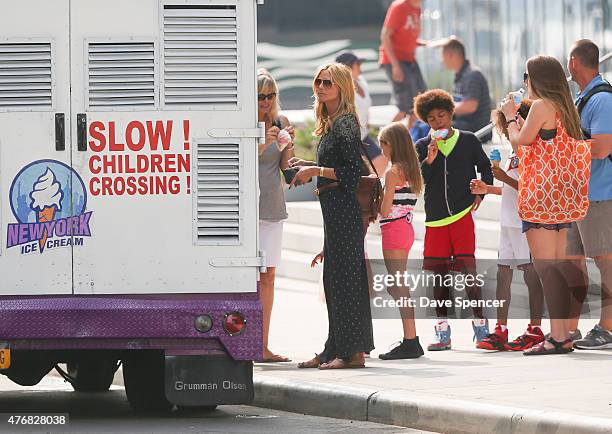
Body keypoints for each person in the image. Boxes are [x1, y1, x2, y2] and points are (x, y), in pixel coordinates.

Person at [500, 55, 588, 355]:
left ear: (536, 78)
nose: (524, 83)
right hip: (564, 197)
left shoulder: (540, 105)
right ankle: (562, 333)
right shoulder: (566, 106)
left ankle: (558, 336)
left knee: (545, 267)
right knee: (557, 266)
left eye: (526, 77)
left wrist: (510, 116)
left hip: (540, 196)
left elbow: (519, 142)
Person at [290, 63, 375, 369]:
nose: (321, 87)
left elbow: (351, 174)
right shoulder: (331, 122)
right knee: (334, 282)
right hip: (334, 213)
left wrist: (315, 170)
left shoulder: (346, 123)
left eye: (328, 82)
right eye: (318, 82)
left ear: (341, 87)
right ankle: (334, 349)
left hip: (344, 212)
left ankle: (351, 353)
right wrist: (308, 162)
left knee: (345, 283)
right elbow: (337, 165)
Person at [413, 89, 494, 351]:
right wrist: (430, 159)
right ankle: (442, 331)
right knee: (439, 277)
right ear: (426, 122)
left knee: (469, 272)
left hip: (461, 215)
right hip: (435, 220)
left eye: (442, 115)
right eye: (432, 119)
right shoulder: (422, 146)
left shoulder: (469, 140)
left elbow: (485, 167)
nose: (438, 122)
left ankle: (482, 329)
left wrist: (482, 190)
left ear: (450, 114)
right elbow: (419, 180)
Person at [470, 101, 546, 351]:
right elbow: (510, 188)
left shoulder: (534, 148)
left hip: (525, 222)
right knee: (503, 274)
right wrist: (488, 188)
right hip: (508, 221)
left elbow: (533, 187)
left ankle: (535, 329)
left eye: (516, 120)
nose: (511, 126)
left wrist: (503, 180)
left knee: (531, 275)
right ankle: (500, 329)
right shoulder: (514, 152)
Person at [565, 39, 612, 350]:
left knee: (607, 262)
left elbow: (603, 147)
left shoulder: (602, 99)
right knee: (571, 261)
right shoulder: (584, 97)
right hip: (581, 196)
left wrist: (564, 147)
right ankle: (569, 329)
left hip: (600, 194)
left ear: (573, 63)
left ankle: (607, 329)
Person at [377, 122, 424, 360]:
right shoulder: (411, 170)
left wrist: (376, 197)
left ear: (390, 145)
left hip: (393, 229)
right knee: (396, 284)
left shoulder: (392, 172)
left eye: (382, 144)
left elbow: (385, 210)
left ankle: (411, 339)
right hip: (405, 228)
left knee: (399, 285)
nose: (381, 150)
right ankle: (410, 338)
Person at [256, 69, 295, 363]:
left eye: (271, 95)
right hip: (245, 209)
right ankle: (248, 341)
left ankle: (263, 345)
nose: (267, 101)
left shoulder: (280, 122)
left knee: (268, 276)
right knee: (247, 278)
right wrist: (264, 142)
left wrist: (287, 144)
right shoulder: (240, 122)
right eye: (261, 96)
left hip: (271, 205)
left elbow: (286, 167)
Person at [336, 51, 389, 176]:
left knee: (382, 160)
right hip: (349, 138)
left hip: (363, 135)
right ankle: (361, 189)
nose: (360, 66)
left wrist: (367, 122)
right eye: (357, 64)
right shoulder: (340, 89)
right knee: (358, 169)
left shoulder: (361, 81)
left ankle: (367, 189)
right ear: (347, 67)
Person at [379, 0, 428, 127]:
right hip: (395, 60)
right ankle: (386, 140)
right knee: (406, 107)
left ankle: (410, 139)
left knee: (422, 102)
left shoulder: (417, 8)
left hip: (409, 59)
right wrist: (395, 66)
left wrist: (426, 43)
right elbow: (385, 36)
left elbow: (407, 37)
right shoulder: (400, 7)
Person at [441, 38, 492, 140]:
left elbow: (470, 106)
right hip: (465, 124)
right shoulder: (462, 75)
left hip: (476, 129)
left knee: (436, 128)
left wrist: (442, 111)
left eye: (443, 56)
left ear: (451, 55)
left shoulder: (472, 75)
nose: (442, 61)